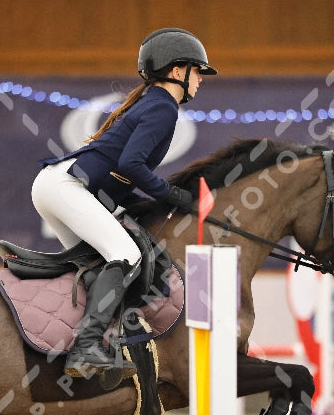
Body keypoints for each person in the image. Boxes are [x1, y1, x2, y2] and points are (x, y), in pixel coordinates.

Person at [32, 27, 217, 379]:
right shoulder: (163, 108)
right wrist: (172, 195)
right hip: (67, 187)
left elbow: (124, 178)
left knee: (98, 266)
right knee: (126, 256)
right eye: (197, 71)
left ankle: (89, 342)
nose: (201, 80)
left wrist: (156, 202)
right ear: (177, 72)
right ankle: (85, 347)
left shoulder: (151, 101)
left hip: (56, 186)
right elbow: (130, 165)